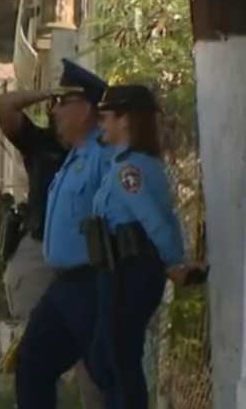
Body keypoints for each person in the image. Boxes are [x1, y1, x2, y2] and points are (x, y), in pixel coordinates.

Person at [0, 69, 104, 409]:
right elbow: (5, 107)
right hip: (42, 257)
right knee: (35, 361)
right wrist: (48, 93)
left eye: (63, 103)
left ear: (86, 108)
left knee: (96, 366)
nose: (54, 111)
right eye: (53, 104)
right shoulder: (44, 144)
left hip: (86, 269)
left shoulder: (99, 152)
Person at [90, 84, 203, 409]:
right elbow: (168, 217)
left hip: (129, 270)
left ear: (125, 121)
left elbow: (154, 219)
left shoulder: (129, 169)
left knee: (118, 359)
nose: (103, 124)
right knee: (107, 358)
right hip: (121, 269)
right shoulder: (130, 163)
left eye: (107, 117)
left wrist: (173, 262)